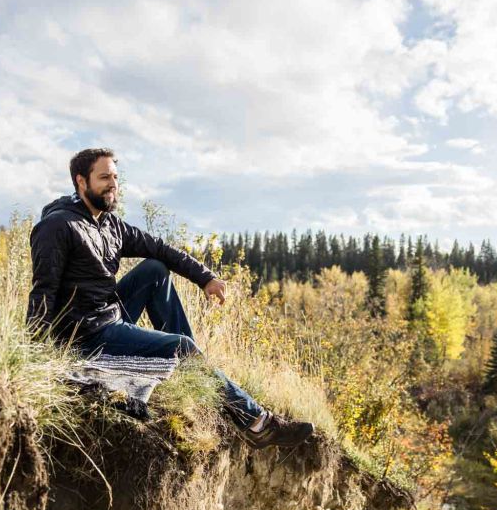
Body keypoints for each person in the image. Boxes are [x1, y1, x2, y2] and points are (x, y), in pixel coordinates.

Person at [26, 147, 314, 449]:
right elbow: (43, 291)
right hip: (85, 333)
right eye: (104, 178)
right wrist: (36, 357)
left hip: (108, 314)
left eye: (115, 177)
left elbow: (160, 248)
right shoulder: (58, 226)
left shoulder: (109, 224)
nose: (113, 184)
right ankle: (257, 424)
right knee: (181, 346)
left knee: (154, 269)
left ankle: (196, 370)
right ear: (81, 182)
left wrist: (205, 278)